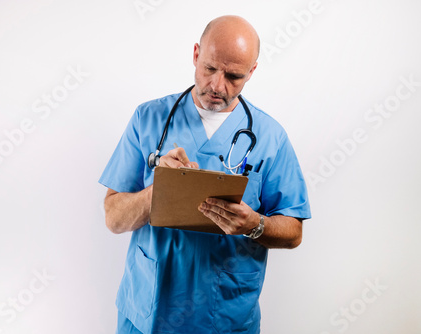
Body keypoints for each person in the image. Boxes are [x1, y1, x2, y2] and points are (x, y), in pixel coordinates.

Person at [99, 15, 311, 334]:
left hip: (226, 316)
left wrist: (255, 225)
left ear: (251, 72)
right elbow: (113, 219)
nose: (217, 85)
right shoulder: (148, 119)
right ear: (196, 54)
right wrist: (156, 191)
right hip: (147, 313)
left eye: (234, 76)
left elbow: (293, 232)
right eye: (210, 68)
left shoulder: (270, 137)